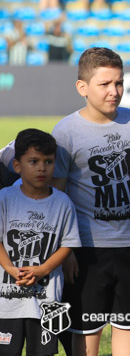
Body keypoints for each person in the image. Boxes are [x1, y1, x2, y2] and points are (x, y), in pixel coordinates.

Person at [51, 48, 130, 356]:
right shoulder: (66, 131)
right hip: (87, 250)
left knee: (127, 325)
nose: (115, 91)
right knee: (86, 330)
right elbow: (57, 196)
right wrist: (64, 251)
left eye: (119, 83)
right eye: (105, 84)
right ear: (82, 87)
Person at [0, 129, 81, 356]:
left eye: (48, 162)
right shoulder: (5, 198)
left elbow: (69, 243)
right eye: (33, 161)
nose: (42, 168)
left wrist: (43, 269)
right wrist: (10, 269)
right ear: (17, 166)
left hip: (46, 303)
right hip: (6, 302)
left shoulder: (63, 202)